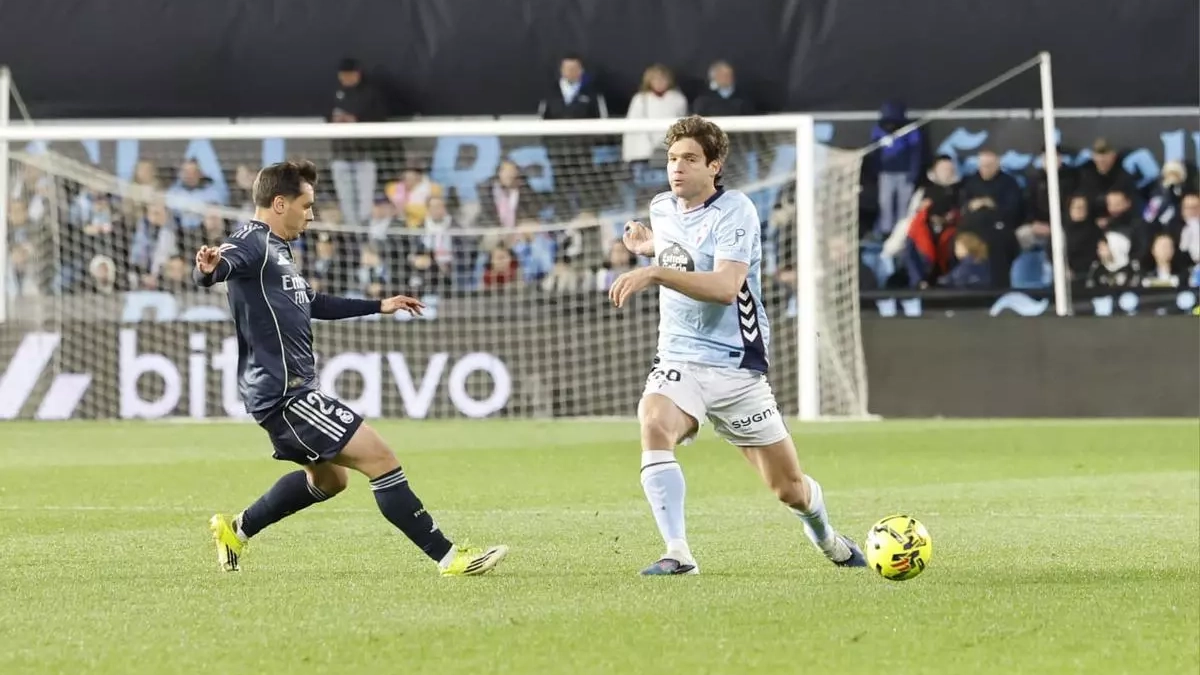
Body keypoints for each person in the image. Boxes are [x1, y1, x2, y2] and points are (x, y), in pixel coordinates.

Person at [192, 160, 508, 577]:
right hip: (285, 393)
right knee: (381, 459)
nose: (311, 214)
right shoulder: (251, 241)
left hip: (289, 390)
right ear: (280, 203)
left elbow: (313, 302)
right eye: (306, 206)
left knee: (330, 481)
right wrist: (209, 268)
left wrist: (380, 305)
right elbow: (223, 264)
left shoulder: (280, 250)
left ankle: (236, 530)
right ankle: (451, 559)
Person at [608, 116, 866, 575]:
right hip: (680, 357)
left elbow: (727, 285)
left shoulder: (737, 211)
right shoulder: (662, 209)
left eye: (689, 159)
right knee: (653, 422)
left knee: (790, 490)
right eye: (671, 159)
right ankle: (678, 552)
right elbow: (681, 248)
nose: (677, 168)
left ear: (714, 166)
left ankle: (827, 538)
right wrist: (652, 248)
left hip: (736, 370)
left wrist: (654, 271)